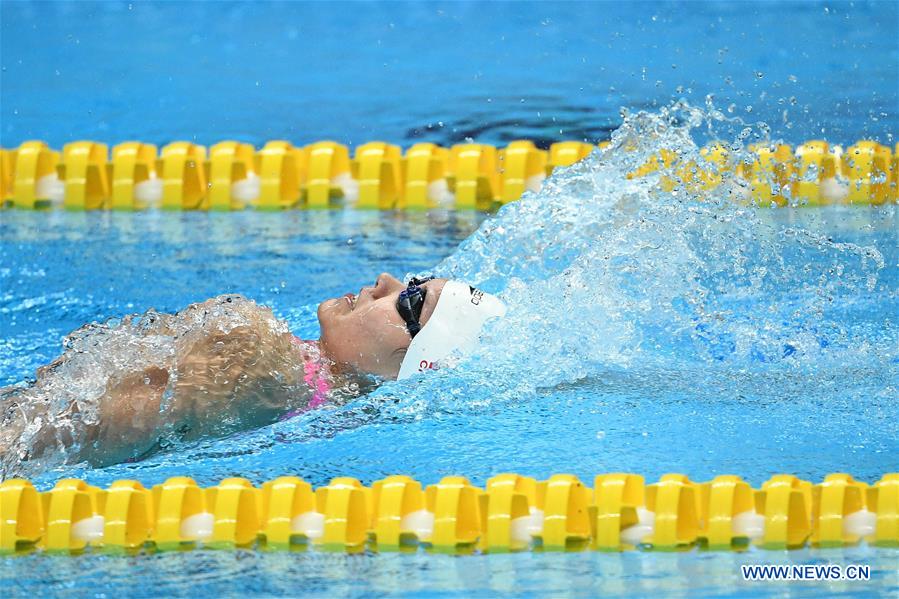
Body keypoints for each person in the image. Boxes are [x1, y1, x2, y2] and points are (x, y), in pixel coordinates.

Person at [0, 273, 505, 476]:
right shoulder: (323, 407)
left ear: (407, 356)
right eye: (413, 280)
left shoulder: (257, 352)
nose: (385, 282)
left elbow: (64, 429)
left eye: (411, 299)